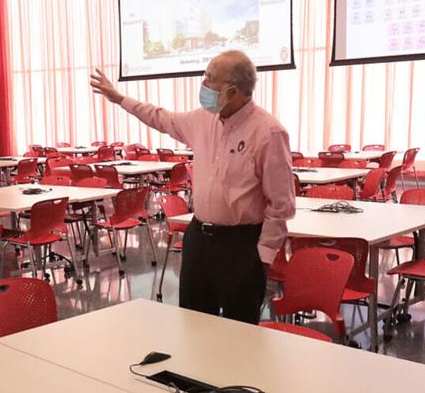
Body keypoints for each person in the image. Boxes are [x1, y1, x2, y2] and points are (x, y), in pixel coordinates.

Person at [90, 51, 294, 323]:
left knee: (240, 333)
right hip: (199, 239)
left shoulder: (268, 132)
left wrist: (262, 257)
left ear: (232, 91)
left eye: (210, 78)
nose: (204, 84)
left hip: (241, 246)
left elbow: (281, 204)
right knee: (194, 324)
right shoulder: (202, 120)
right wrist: (120, 99)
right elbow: (161, 118)